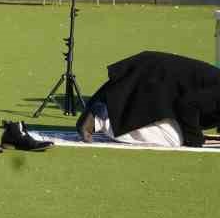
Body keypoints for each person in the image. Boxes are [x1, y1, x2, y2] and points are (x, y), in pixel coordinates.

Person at [77, 51, 220, 148]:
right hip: (154, 80)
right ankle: (102, 120)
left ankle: (102, 115)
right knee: (174, 139)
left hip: (157, 76)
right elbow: (187, 105)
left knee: (179, 131)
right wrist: (195, 139)